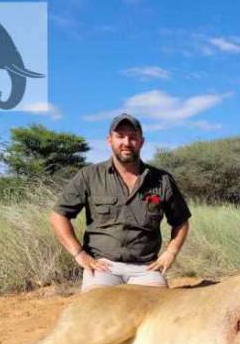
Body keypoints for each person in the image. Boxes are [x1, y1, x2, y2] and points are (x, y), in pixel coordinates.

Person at [50, 113, 191, 291]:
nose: (126, 142)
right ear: (109, 140)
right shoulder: (89, 175)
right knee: (97, 307)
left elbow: (181, 221)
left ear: (141, 142)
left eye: (133, 137)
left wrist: (171, 252)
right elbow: (58, 216)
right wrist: (79, 254)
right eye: (120, 136)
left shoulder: (162, 180)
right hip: (102, 267)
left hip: (146, 268)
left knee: (158, 307)